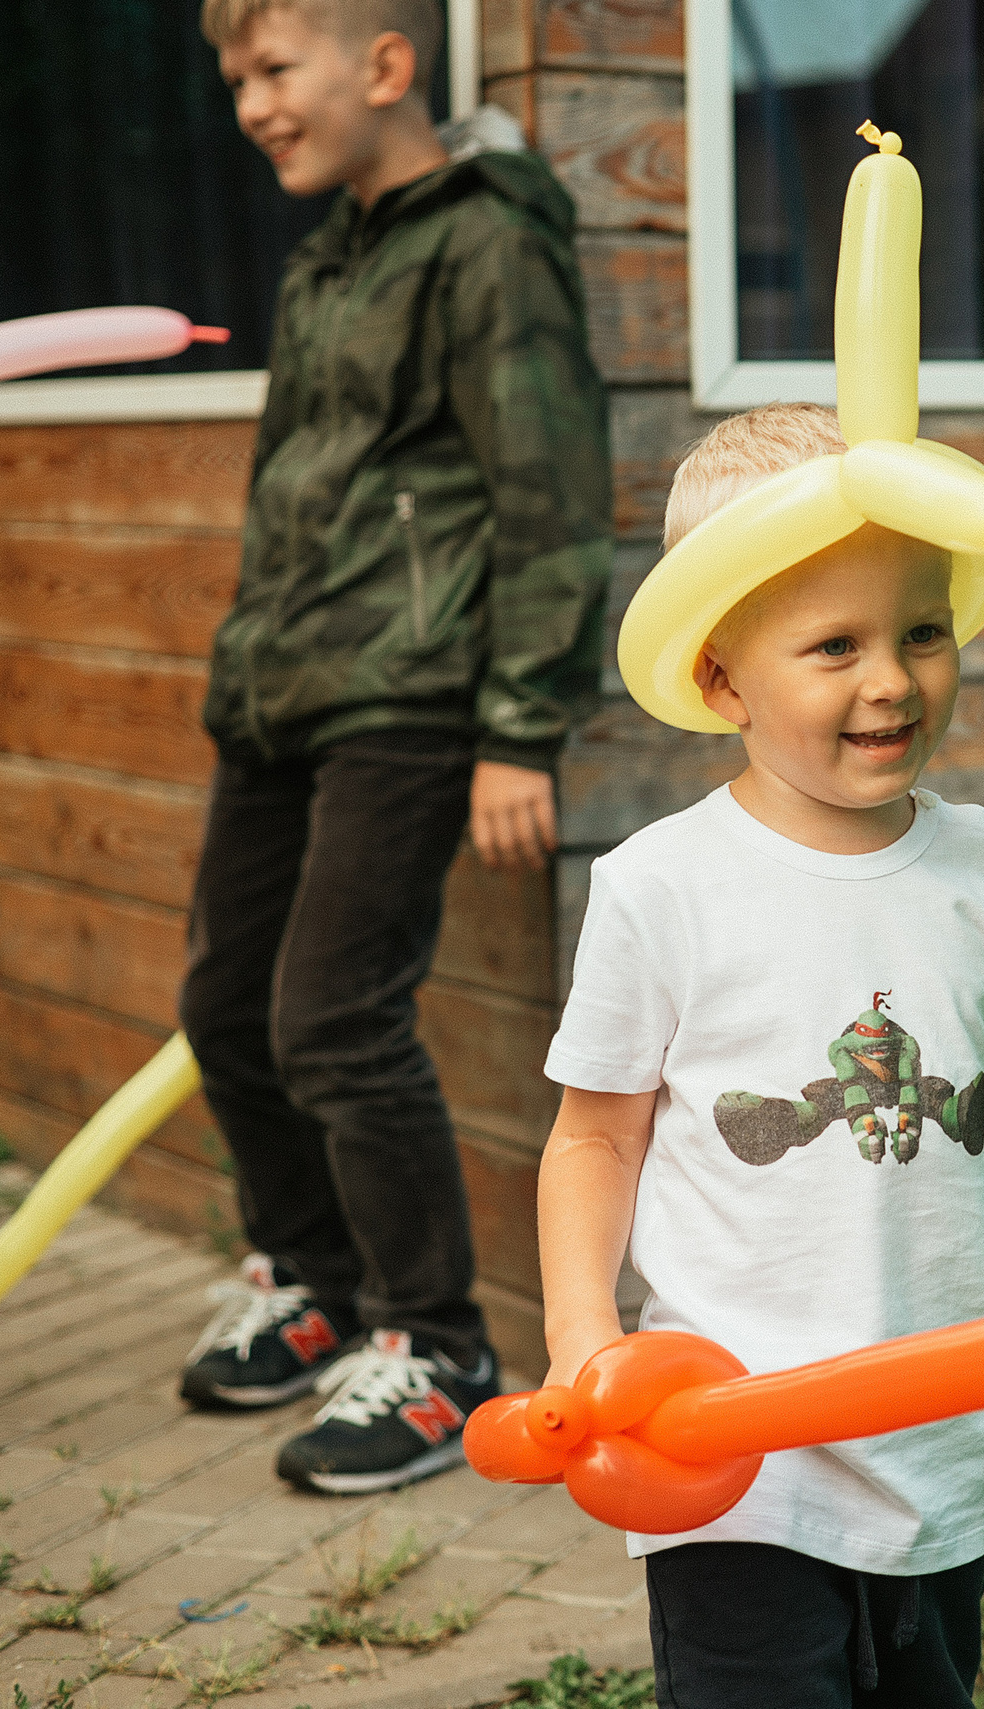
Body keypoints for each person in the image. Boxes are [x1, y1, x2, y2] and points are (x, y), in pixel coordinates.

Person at [537, 405, 984, 1709]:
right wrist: (585, 1334)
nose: (892, 680)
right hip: (734, 1450)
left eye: (923, 630)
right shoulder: (663, 887)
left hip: (943, 1430)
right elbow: (594, 1136)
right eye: (833, 645)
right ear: (721, 677)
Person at [175, 0, 611, 1495]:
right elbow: (293, 493)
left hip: (416, 699)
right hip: (284, 693)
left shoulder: (487, 242)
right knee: (228, 1006)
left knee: (334, 1018)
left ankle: (436, 1345)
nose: (249, 103)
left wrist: (518, 730)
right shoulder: (327, 261)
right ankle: (315, 1279)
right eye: (234, 77)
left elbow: (548, 490)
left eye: (273, 69)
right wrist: (246, 670)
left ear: (384, 65)